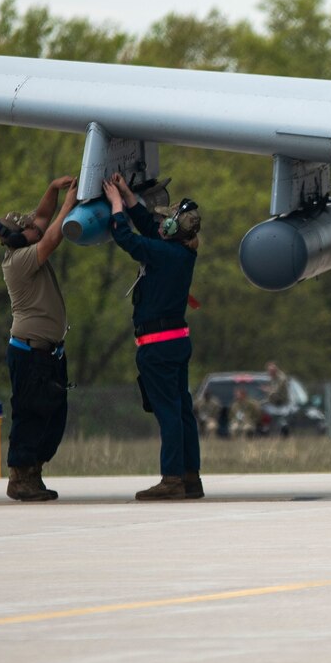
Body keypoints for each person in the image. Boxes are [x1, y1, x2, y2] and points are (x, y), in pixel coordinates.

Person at [105, 171, 204, 501]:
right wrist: (129, 198)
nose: (160, 222)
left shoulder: (165, 253)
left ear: (174, 229)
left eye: (166, 221)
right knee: (181, 409)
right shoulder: (178, 252)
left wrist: (116, 207)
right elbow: (149, 229)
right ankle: (191, 477)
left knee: (168, 413)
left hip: (158, 347)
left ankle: (172, 479)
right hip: (176, 342)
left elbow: (128, 239)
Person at [0, 175, 77, 502]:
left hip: (48, 353)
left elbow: (43, 220)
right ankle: (20, 478)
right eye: (28, 226)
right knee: (31, 414)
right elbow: (52, 235)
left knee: (53, 417)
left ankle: (34, 473)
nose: (35, 225)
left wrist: (53, 190)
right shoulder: (21, 260)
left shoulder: (25, 244)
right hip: (31, 355)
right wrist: (69, 205)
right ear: (20, 236)